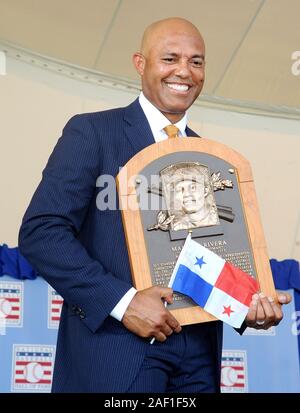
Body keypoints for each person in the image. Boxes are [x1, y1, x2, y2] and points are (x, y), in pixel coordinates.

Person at [19, 17, 291, 393]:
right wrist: (124, 302)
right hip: (117, 351)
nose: (185, 71)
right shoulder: (93, 132)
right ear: (140, 63)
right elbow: (41, 232)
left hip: (198, 357)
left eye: (197, 62)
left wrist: (247, 304)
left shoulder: (212, 158)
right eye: (170, 58)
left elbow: (207, 252)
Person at [161, 162, 219, 231]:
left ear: (205, 190)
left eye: (192, 188)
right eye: (179, 189)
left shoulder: (214, 219)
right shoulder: (178, 227)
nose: (186, 194)